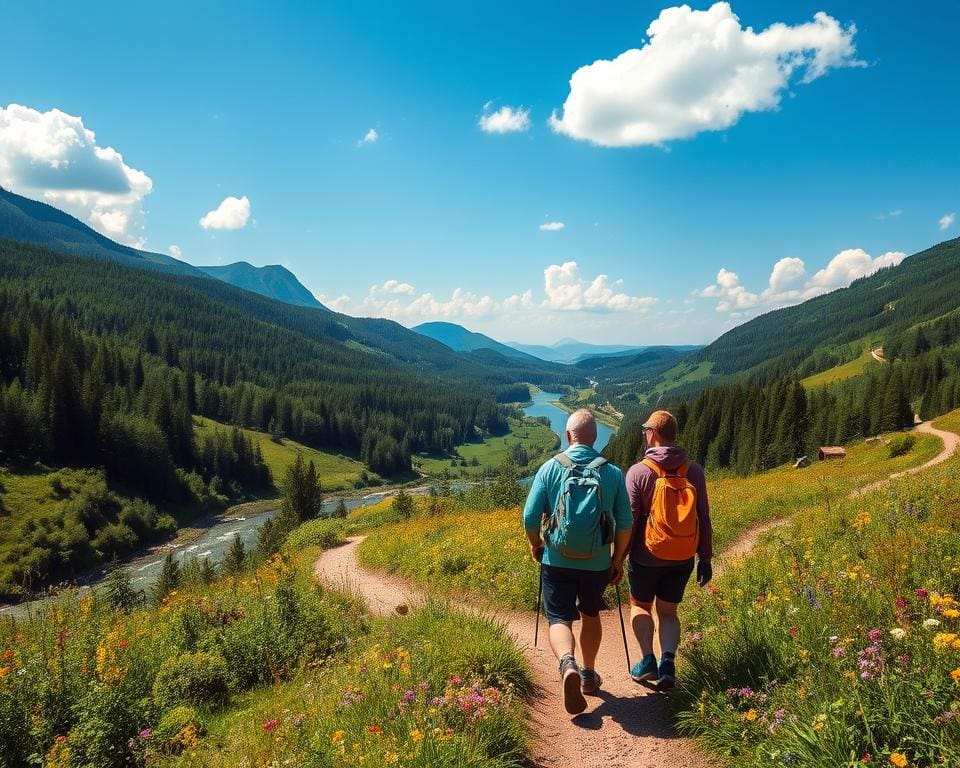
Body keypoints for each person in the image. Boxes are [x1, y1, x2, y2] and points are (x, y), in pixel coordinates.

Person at [523, 408, 633, 715]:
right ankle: (587, 674)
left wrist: (536, 545)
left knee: (559, 617)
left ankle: (566, 663)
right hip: (597, 562)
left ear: (568, 436)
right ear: (595, 438)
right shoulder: (611, 472)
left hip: (556, 558)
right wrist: (617, 559)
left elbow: (530, 517)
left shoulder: (549, 468)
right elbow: (625, 522)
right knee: (590, 614)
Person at [625, 409, 712, 691]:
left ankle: (647, 660)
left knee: (640, 606)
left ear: (652, 434)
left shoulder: (639, 472)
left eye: (645, 432)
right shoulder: (693, 470)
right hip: (683, 556)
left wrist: (617, 559)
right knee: (668, 612)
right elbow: (703, 515)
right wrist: (705, 558)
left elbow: (630, 519)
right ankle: (668, 664)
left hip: (645, 557)